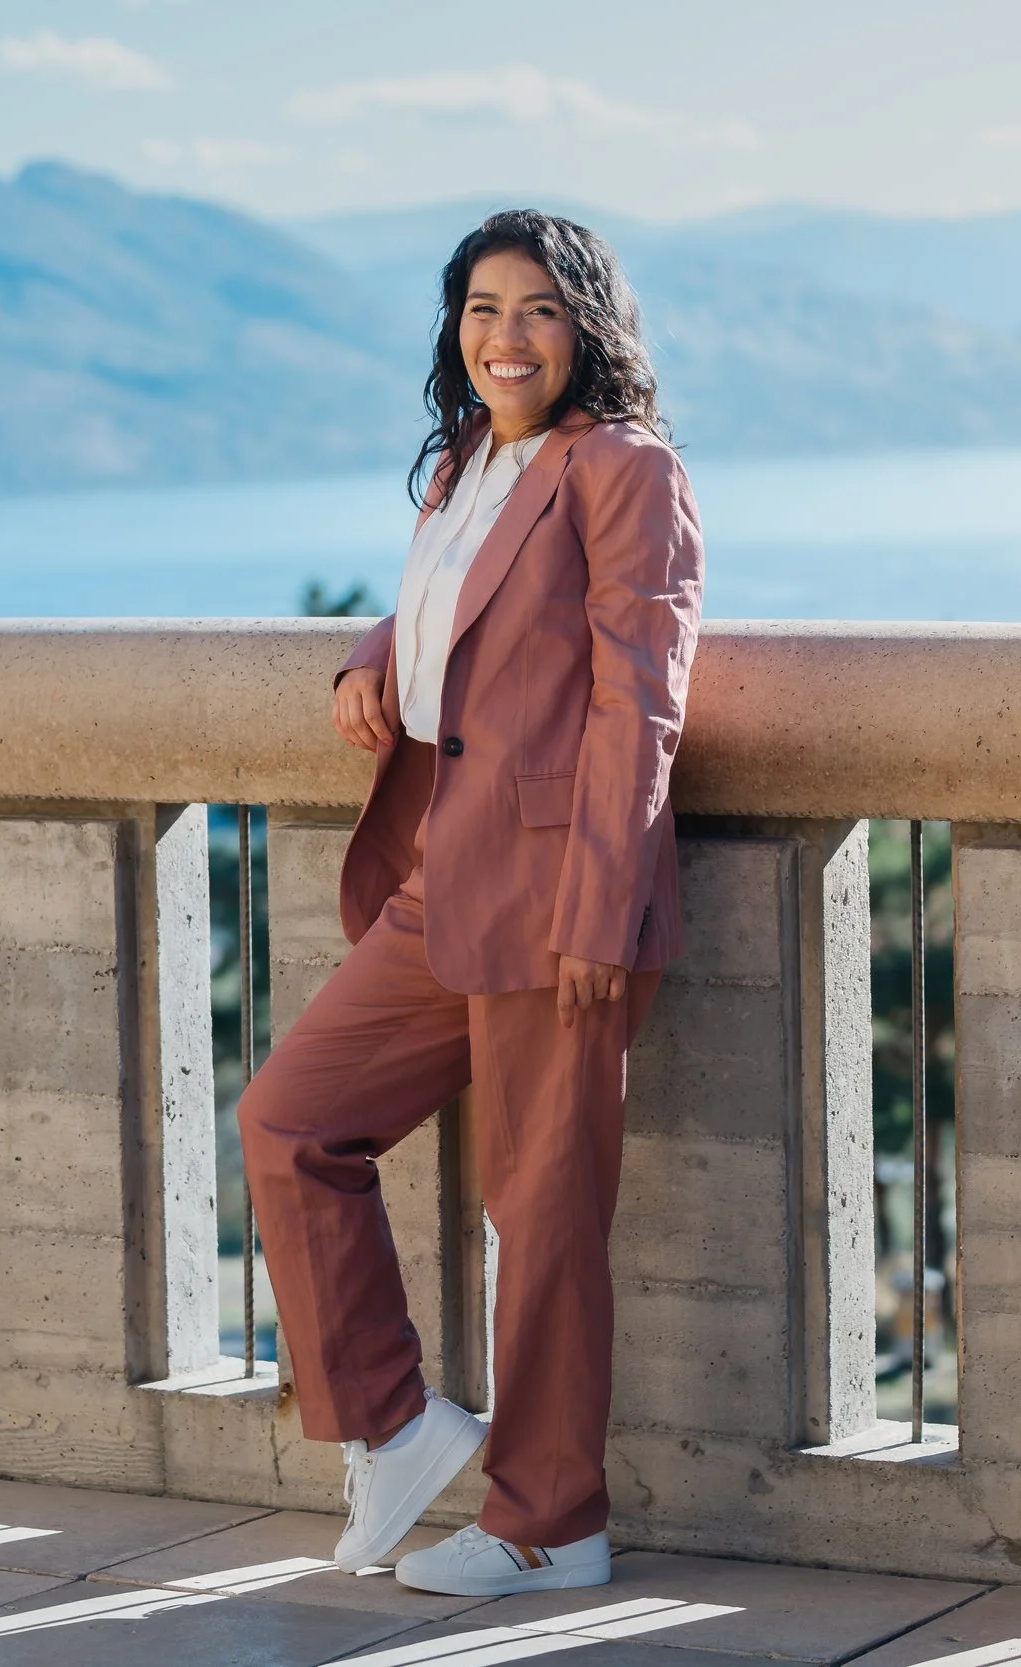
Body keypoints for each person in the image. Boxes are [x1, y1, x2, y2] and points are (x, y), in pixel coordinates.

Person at [237, 210, 704, 1598]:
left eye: (542, 310)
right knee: (290, 1121)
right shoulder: (465, 464)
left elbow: (644, 696)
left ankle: (552, 1522)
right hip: (443, 872)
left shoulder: (629, 471)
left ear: (589, 330)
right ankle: (392, 1425)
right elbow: (462, 613)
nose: (509, 335)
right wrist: (372, 656)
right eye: (485, 308)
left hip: (560, 887)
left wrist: (600, 906)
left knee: (543, 1211)